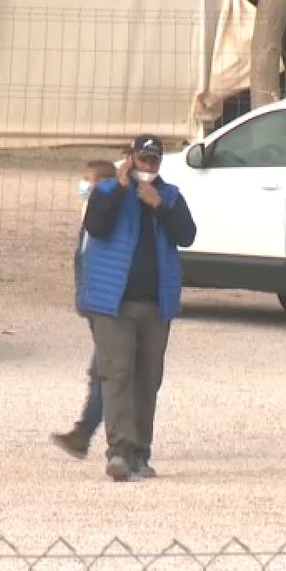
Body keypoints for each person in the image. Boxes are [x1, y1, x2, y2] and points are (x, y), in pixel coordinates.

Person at [78, 135, 197, 482]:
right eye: (142, 160)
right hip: (112, 303)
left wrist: (159, 204)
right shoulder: (107, 193)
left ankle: (141, 454)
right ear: (130, 159)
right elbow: (95, 226)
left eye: (153, 162)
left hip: (155, 304)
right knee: (117, 375)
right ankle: (119, 452)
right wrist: (119, 187)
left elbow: (187, 235)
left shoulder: (170, 195)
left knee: (147, 380)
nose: (148, 167)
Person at [50, 159, 119, 460]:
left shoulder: (107, 214)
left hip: (109, 306)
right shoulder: (91, 213)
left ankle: (89, 433)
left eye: (87, 180)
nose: (83, 186)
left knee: (104, 371)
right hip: (95, 305)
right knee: (105, 371)